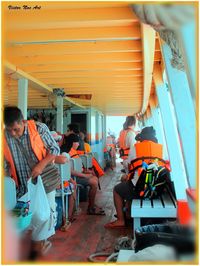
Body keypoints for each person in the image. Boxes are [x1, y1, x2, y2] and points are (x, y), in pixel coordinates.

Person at [3, 106, 60, 258]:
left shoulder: (40, 128)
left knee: (45, 212)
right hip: (22, 182)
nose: (13, 134)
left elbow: (54, 149)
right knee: (28, 213)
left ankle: (39, 244)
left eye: (16, 129)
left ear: (23, 122)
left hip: (45, 178)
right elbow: (5, 162)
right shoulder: (4, 136)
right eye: (10, 130)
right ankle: (36, 242)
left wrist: (41, 165)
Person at [104, 127, 162, 228]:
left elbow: (128, 164)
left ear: (142, 137)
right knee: (128, 183)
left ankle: (121, 220)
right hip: (156, 188)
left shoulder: (136, 147)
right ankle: (129, 213)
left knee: (117, 190)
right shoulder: (160, 148)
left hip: (140, 188)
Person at [62, 133, 105, 215]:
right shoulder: (66, 153)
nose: (78, 144)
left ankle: (91, 205)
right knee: (94, 182)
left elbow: (78, 167)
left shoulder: (73, 151)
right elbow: (69, 170)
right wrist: (85, 175)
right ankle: (91, 207)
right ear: (72, 143)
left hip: (78, 175)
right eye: (77, 142)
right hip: (72, 178)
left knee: (95, 178)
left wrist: (86, 171)